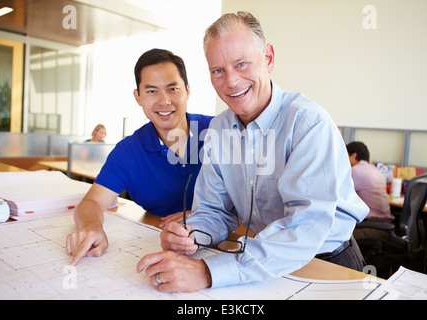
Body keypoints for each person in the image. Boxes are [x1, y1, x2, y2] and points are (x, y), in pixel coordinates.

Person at [136, 12, 369, 292]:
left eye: (241, 64)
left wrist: (208, 272)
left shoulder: (308, 124)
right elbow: (214, 210)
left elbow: (304, 228)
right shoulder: (219, 129)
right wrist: (192, 234)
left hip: (327, 264)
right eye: (217, 70)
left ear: (268, 58)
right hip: (261, 261)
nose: (231, 81)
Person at [66, 49, 213, 266]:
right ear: (138, 97)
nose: (164, 101)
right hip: (158, 245)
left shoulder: (219, 131)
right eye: (152, 91)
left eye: (172, 89)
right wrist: (91, 226)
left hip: (223, 244)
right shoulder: (128, 151)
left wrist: (203, 213)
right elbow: (91, 202)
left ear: (188, 90)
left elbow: (252, 196)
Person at [346, 141, 394, 240]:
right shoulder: (377, 170)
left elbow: (342, 196)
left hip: (371, 226)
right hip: (385, 225)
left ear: (354, 155)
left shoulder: (355, 170)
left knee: (339, 238)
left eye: (346, 155)